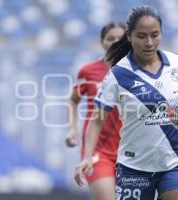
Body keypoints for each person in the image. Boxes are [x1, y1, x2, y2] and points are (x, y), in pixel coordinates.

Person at [74, 5, 178, 200]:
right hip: (134, 166)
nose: (149, 42)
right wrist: (87, 157)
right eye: (142, 36)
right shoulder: (118, 75)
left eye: (155, 35)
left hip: (175, 161)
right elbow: (97, 120)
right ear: (129, 36)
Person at [65, 22, 125, 200]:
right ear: (102, 42)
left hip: (130, 151)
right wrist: (72, 127)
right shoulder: (88, 71)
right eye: (110, 38)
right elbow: (72, 100)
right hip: (98, 151)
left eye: (120, 39)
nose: (115, 42)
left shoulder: (136, 73)